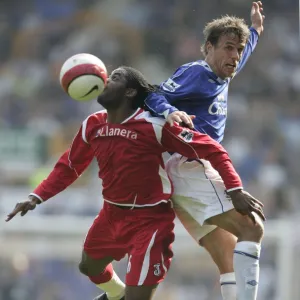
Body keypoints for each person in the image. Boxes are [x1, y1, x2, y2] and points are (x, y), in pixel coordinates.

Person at [5, 67, 264, 300]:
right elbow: (69, 167)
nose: (106, 79)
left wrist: (234, 188)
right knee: (89, 266)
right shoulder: (93, 124)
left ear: (130, 92)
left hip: (150, 221)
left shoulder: (155, 126)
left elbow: (212, 149)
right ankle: (116, 295)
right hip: (111, 214)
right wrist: (36, 197)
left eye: (115, 77)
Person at [144, 2, 266, 300]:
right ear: (208, 48)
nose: (235, 56)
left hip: (181, 171)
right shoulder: (197, 72)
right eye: (227, 48)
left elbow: (245, 50)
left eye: (238, 50)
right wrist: (171, 112)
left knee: (226, 254)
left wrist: (256, 30)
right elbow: (152, 95)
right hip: (190, 165)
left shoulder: (224, 71)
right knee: (252, 228)